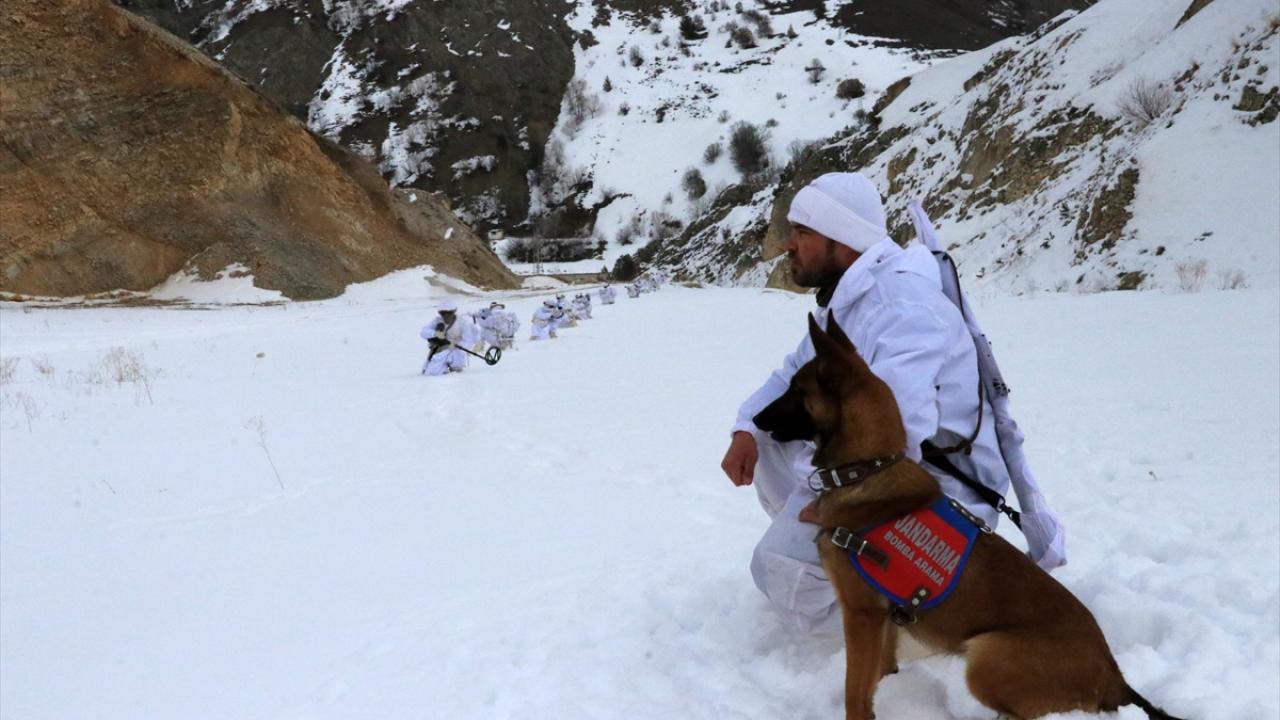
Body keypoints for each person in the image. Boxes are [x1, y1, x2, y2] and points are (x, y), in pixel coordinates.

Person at [719, 172, 1015, 636]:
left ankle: (907, 619)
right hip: (881, 471)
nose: (788, 245)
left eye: (803, 232)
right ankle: (851, 562)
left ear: (844, 240)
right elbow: (791, 376)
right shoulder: (851, 300)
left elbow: (900, 431)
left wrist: (837, 500)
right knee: (772, 443)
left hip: (934, 494)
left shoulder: (904, 308)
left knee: (781, 573)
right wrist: (747, 430)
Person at [420, 300, 479, 375]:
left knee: (434, 371)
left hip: (456, 350)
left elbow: (468, 340)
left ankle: (450, 366)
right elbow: (423, 332)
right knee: (426, 371)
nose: (446, 315)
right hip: (440, 348)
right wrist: (435, 333)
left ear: (454, 311)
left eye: (449, 313)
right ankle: (443, 366)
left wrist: (457, 348)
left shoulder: (463, 323)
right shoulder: (437, 320)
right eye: (443, 313)